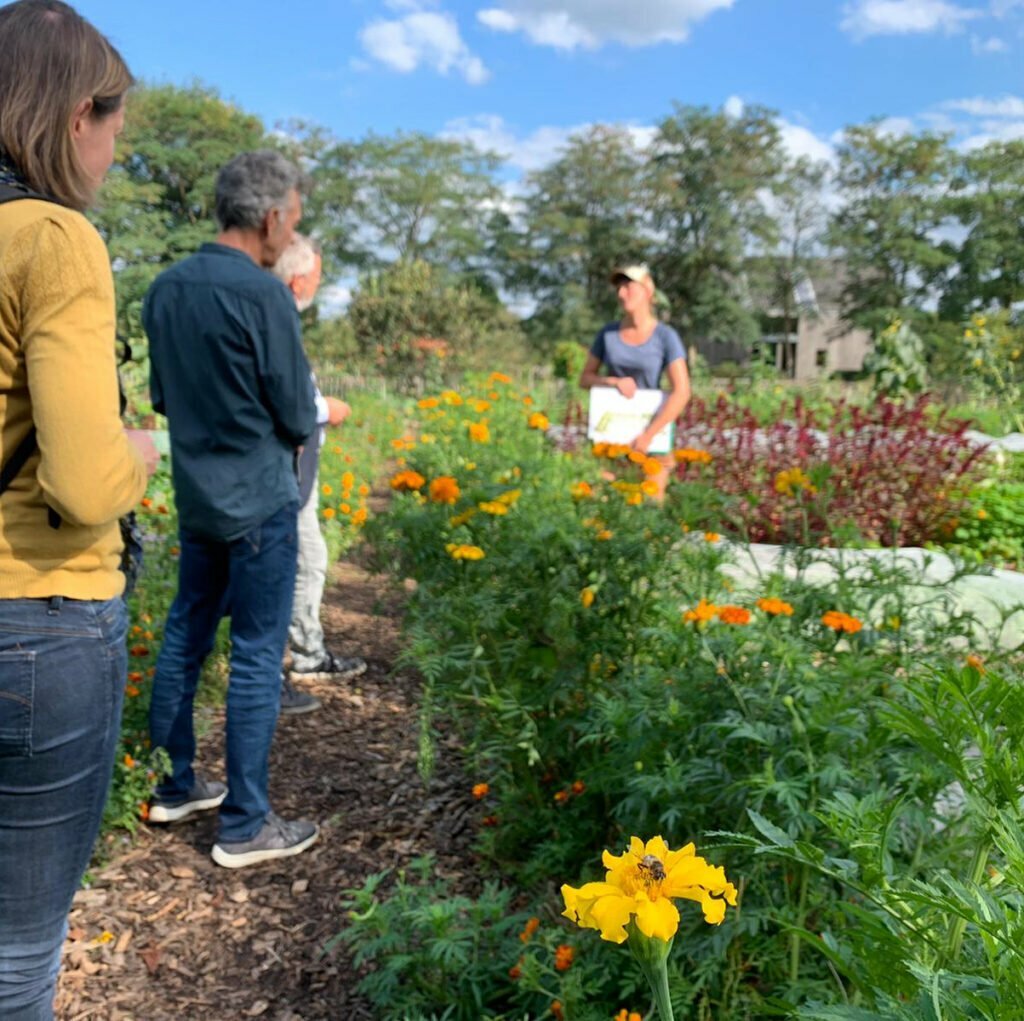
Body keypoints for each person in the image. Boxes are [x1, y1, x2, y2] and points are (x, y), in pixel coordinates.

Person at [0, 3, 158, 1016]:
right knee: (17, 948)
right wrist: (138, 449)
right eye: (113, 123)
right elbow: (85, 485)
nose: (114, 149)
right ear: (71, 119)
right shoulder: (54, 238)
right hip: (38, 621)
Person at [143, 150, 320, 869]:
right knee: (254, 651)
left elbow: (160, 397)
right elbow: (296, 411)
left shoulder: (164, 290)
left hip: (198, 500)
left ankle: (174, 782)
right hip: (259, 505)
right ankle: (246, 820)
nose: (290, 234)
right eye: (294, 220)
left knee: (185, 633)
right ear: (272, 216)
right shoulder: (265, 295)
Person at [269, 234, 367, 716]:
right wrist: (326, 409)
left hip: (294, 464)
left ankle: (303, 653)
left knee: (306, 557)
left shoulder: (277, 317)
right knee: (303, 560)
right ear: (298, 277)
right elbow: (281, 400)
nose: (319, 283)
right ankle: (301, 658)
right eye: (318, 275)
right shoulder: (276, 316)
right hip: (283, 469)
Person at [579, 264, 691, 496]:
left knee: (651, 509)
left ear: (648, 291)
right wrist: (612, 382)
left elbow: (682, 391)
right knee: (605, 505)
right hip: (611, 440)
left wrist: (648, 436)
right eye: (619, 288)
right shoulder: (607, 334)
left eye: (629, 286)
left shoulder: (665, 337)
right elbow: (585, 378)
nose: (621, 293)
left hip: (652, 440)